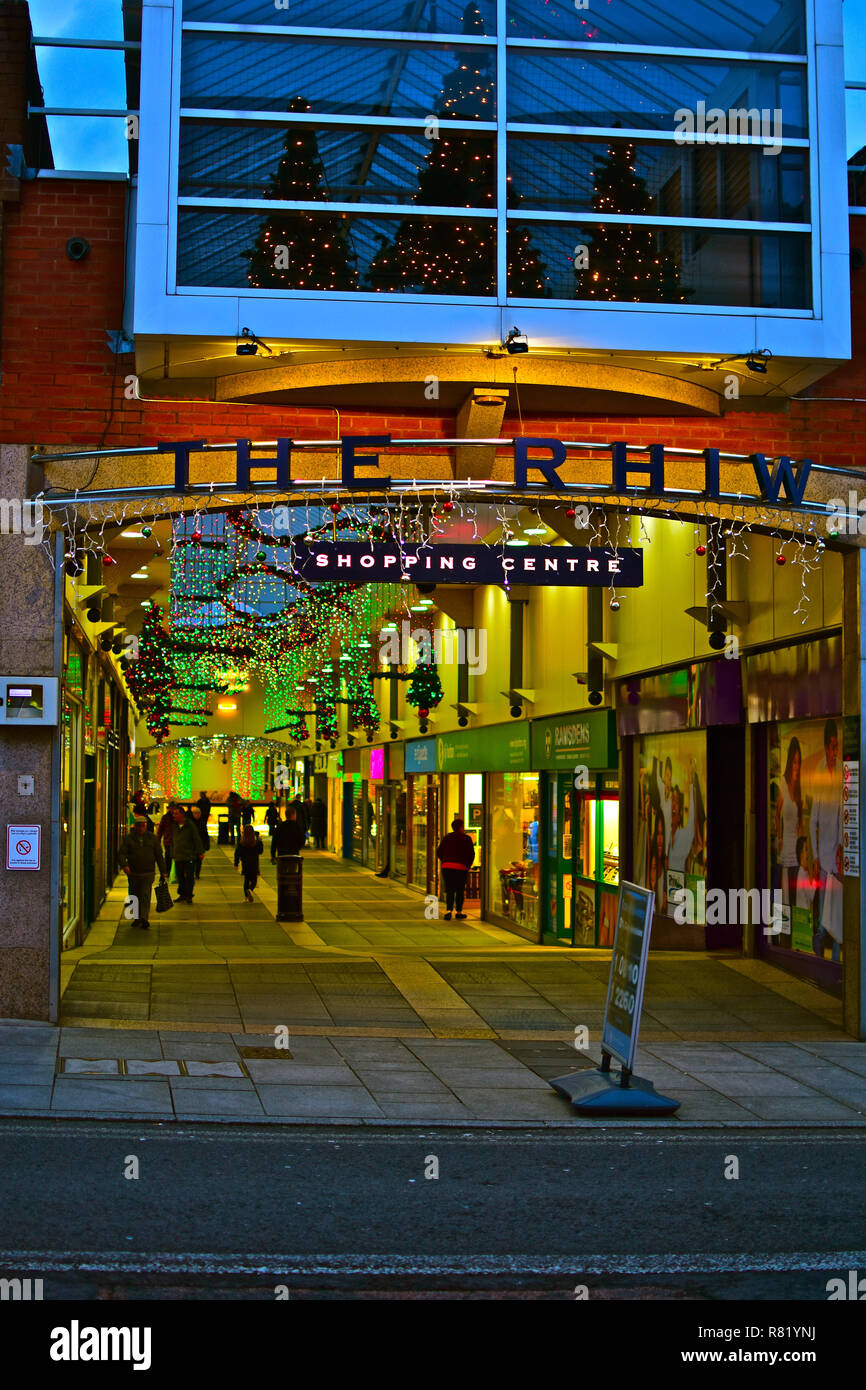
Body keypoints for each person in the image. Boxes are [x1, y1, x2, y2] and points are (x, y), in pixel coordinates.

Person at [810, 719, 842, 960]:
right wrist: (815, 855)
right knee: (823, 910)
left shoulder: (842, 768)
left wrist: (842, 844)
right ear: (825, 747)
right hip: (823, 855)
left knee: (837, 910)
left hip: (837, 854)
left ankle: (836, 959)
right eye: (832, 746)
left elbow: (844, 813)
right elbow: (813, 820)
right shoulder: (820, 772)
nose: (835, 751)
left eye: (837, 746)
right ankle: (818, 946)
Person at [118, 812, 167, 930]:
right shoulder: (128, 838)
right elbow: (121, 853)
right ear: (136, 826)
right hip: (133, 872)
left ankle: (144, 918)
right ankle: (136, 918)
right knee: (134, 895)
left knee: (145, 895)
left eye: (143, 825)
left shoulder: (152, 838)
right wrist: (124, 865)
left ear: (146, 825)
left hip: (148, 872)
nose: (141, 828)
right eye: (139, 825)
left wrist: (163, 871)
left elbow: (159, 855)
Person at [776, 737, 803, 906]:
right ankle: (785, 928)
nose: (797, 766)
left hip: (796, 849)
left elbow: (800, 823)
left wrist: (802, 849)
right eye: (794, 762)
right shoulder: (783, 784)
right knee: (785, 893)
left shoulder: (799, 788)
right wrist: (779, 838)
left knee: (795, 894)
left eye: (799, 762)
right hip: (785, 848)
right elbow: (776, 814)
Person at [436, 816, 475, 920]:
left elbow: (439, 852)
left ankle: (448, 911)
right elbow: (471, 854)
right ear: (461, 827)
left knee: (449, 890)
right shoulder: (466, 838)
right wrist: (467, 865)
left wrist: (445, 861)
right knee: (460, 890)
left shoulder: (447, 837)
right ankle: (459, 911)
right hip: (461, 868)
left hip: (447, 867)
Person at [171, 804, 205, 904]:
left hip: (189, 855)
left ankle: (189, 895)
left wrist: (200, 852)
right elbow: (173, 841)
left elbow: (196, 838)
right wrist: (172, 853)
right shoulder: (174, 826)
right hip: (178, 856)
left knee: (189, 877)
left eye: (176, 814)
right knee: (180, 877)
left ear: (182, 815)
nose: (174, 816)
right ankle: (182, 894)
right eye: (173, 814)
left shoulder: (190, 825)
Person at [234, 824, 264, 903]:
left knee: (246, 880)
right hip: (254, 864)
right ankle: (250, 889)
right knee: (254, 880)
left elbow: (237, 853)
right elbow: (260, 851)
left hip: (245, 864)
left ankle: (246, 897)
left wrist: (236, 863)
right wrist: (260, 841)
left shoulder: (241, 843)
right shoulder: (256, 843)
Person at [156, 802, 178, 878]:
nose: (173, 809)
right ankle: (167, 871)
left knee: (176, 856)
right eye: (172, 808)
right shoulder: (165, 817)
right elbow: (160, 830)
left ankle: (175, 872)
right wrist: (158, 840)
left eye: (174, 807)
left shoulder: (178, 817)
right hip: (168, 840)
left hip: (177, 840)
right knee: (168, 856)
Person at [190, 804, 210, 880]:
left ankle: (197, 873)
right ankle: (193, 873)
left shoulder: (202, 823)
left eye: (198, 813)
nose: (197, 815)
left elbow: (205, 834)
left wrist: (206, 845)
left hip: (201, 845)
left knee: (199, 861)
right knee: (193, 860)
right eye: (195, 813)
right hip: (192, 845)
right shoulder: (190, 823)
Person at [264, 796, 282, 863]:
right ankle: (272, 832)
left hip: (270, 821)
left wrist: (265, 820)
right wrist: (279, 818)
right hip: (274, 820)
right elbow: (277, 815)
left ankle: (270, 833)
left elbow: (266, 815)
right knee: (273, 827)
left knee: (270, 827)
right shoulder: (274, 809)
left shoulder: (268, 810)